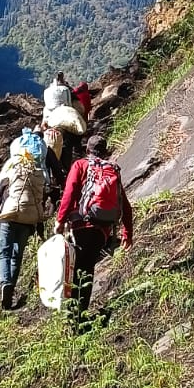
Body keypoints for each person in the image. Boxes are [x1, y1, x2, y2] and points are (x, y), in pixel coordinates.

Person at [55, 132, 132, 326]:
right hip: (102, 230)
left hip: (81, 226)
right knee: (87, 269)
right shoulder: (112, 169)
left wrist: (60, 220)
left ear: (87, 149)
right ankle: (79, 315)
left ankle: (72, 320)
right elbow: (125, 204)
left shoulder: (80, 165)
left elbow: (70, 192)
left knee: (75, 270)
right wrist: (127, 233)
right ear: (105, 152)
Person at [0, 134, 50, 309]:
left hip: (9, 216)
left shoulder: (11, 169)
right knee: (17, 255)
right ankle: (11, 287)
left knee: (4, 252)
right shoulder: (39, 173)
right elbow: (43, 197)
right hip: (28, 220)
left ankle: (5, 283)